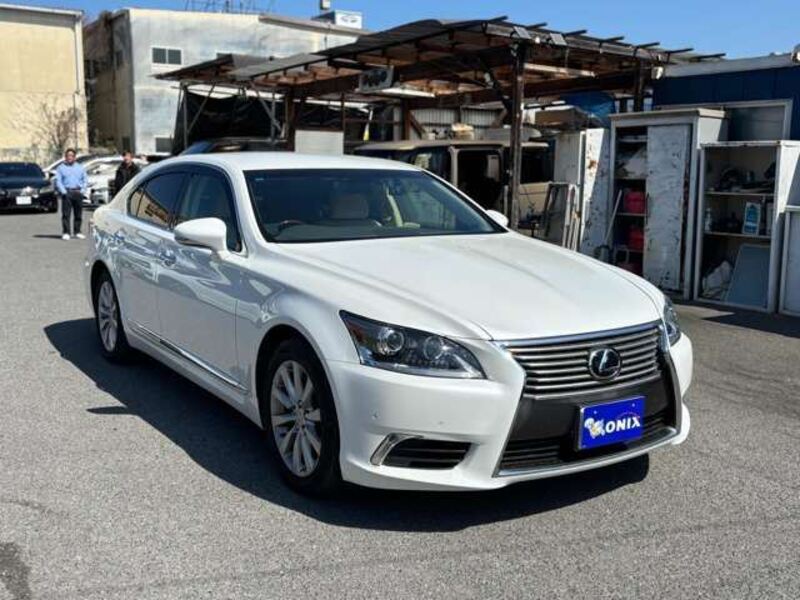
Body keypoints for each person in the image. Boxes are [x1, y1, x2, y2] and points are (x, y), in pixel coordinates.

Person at [54, 148, 87, 240]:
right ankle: (66, 232)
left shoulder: (80, 167)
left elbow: (85, 179)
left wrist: (82, 190)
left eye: (71, 156)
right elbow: (58, 181)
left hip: (78, 192)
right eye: (68, 156)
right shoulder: (61, 168)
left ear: (74, 157)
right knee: (66, 214)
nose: (70, 157)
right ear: (65, 157)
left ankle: (77, 231)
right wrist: (63, 191)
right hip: (67, 192)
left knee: (78, 214)